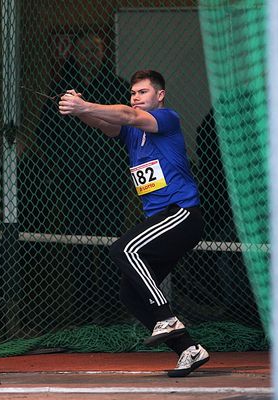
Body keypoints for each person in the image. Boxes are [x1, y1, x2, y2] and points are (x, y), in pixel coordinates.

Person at [58, 70, 210, 377]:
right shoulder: (131, 131)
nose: (136, 98)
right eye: (133, 93)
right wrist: (79, 107)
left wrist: (84, 104)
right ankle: (189, 349)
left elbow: (126, 115)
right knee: (129, 293)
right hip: (160, 221)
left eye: (142, 92)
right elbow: (105, 123)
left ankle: (166, 319)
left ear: (159, 95)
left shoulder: (166, 119)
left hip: (181, 214)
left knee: (124, 250)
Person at [19, 32, 131, 322]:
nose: (89, 54)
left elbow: (127, 130)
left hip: (109, 180)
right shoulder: (61, 90)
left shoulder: (116, 87)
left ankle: (109, 306)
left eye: (94, 49)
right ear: (74, 54)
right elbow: (45, 134)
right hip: (72, 180)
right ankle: (83, 306)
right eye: (83, 50)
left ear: (103, 52)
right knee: (78, 242)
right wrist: (60, 166)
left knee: (110, 239)